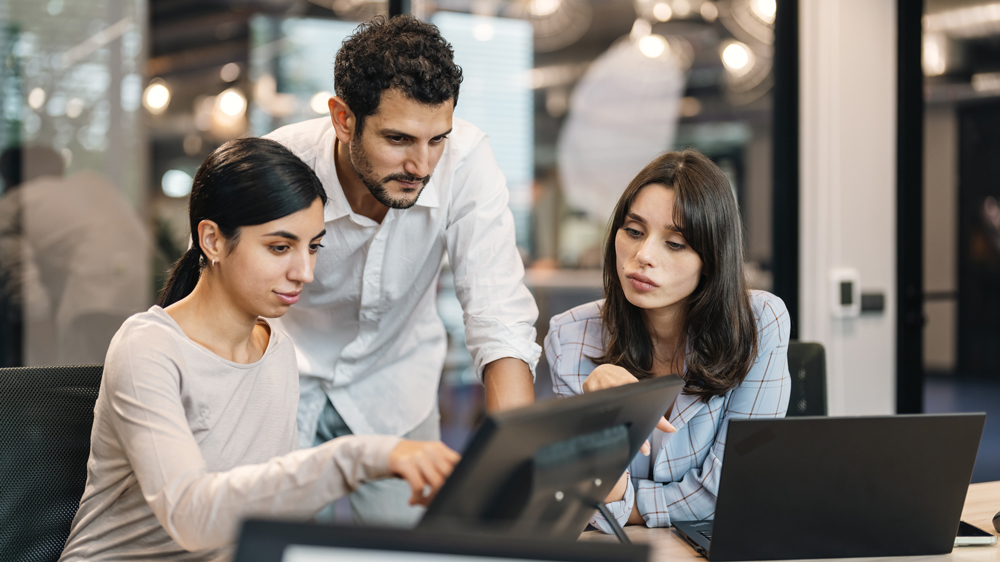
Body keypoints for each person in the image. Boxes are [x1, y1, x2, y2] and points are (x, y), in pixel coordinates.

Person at [59, 138, 459, 562]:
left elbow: (269, 516)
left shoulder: (278, 349)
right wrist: (359, 457)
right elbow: (190, 517)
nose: (304, 272)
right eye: (280, 247)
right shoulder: (148, 348)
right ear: (212, 240)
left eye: (314, 247)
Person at [263, 15, 540, 526]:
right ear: (343, 118)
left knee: (413, 555)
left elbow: (497, 315)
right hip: (281, 383)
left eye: (436, 139)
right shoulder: (280, 165)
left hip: (395, 384)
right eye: (398, 139)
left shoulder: (466, 161)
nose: (422, 165)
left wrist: (514, 466)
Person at [544, 149, 790, 534]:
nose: (642, 256)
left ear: (711, 258)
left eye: (675, 243)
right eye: (634, 231)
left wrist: (623, 501)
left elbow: (732, 492)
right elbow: (579, 498)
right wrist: (599, 415)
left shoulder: (760, 322)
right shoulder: (569, 335)